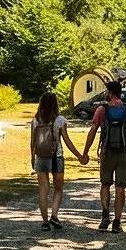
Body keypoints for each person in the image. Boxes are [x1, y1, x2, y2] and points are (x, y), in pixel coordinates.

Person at [81, 81, 126, 233]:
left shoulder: (102, 109)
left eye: (107, 91)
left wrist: (85, 152)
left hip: (107, 153)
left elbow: (93, 131)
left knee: (105, 184)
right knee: (120, 188)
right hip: (123, 154)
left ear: (111, 92)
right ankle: (117, 222)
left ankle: (105, 216)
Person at [29, 92, 85, 231]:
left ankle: (45, 222)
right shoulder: (60, 120)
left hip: (41, 156)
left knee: (43, 189)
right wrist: (79, 156)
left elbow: (32, 142)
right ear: (55, 104)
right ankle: (54, 215)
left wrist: (32, 157)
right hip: (56, 157)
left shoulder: (36, 120)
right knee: (58, 188)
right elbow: (67, 141)